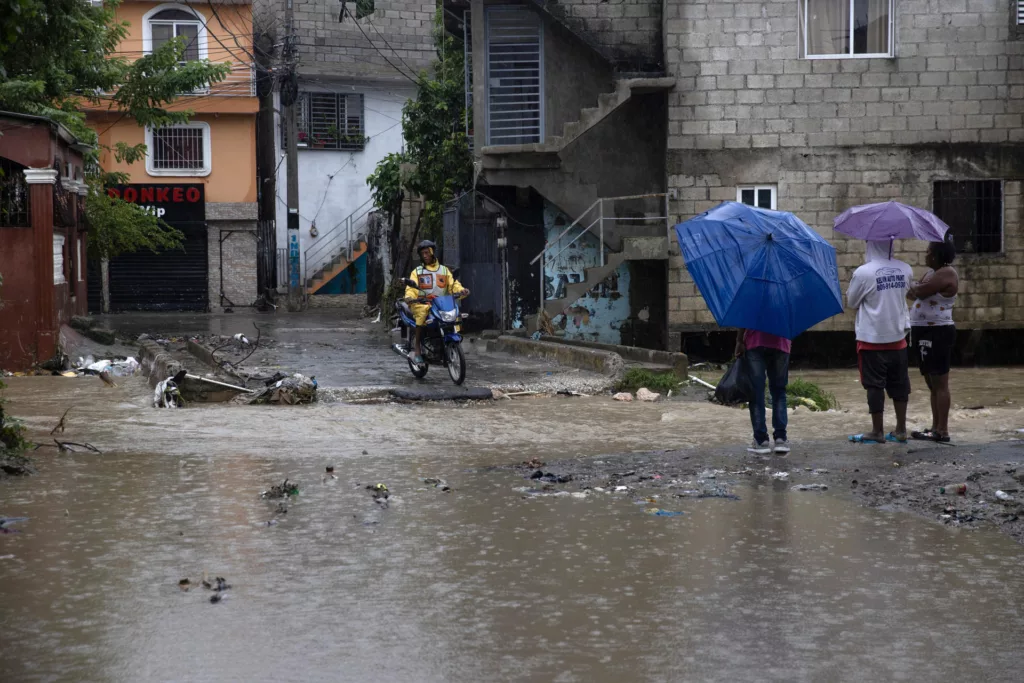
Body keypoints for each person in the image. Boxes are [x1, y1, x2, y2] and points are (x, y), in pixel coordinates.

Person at [846, 239, 914, 444]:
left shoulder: (863, 272)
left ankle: (877, 431)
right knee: (900, 385)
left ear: (871, 246)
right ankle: (901, 429)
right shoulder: (905, 269)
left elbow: (852, 302)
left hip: (871, 339)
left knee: (874, 385)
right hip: (898, 338)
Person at [907, 238, 959, 443]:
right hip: (923, 333)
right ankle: (935, 427)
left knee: (940, 381)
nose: (925, 255)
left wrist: (910, 283)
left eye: (928, 252)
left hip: (937, 332)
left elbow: (917, 292)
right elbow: (914, 294)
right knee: (931, 382)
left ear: (937, 255)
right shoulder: (931, 273)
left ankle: (942, 430)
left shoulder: (946, 273)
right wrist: (914, 287)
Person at [403, 240, 468, 364]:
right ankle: (417, 349)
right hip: (423, 304)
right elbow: (411, 288)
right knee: (421, 315)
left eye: (427, 252)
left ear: (432, 252)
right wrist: (409, 297)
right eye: (423, 253)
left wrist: (461, 290)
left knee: (455, 315)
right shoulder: (417, 272)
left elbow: (453, 284)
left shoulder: (444, 271)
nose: (425, 255)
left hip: (441, 304)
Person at [735, 328, 791, 455]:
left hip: (755, 342)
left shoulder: (751, 306)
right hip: (781, 343)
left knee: (756, 393)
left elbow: (744, 320)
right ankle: (781, 439)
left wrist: (739, 341)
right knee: (779, 392)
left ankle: (761, 441)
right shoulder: (786, 306)